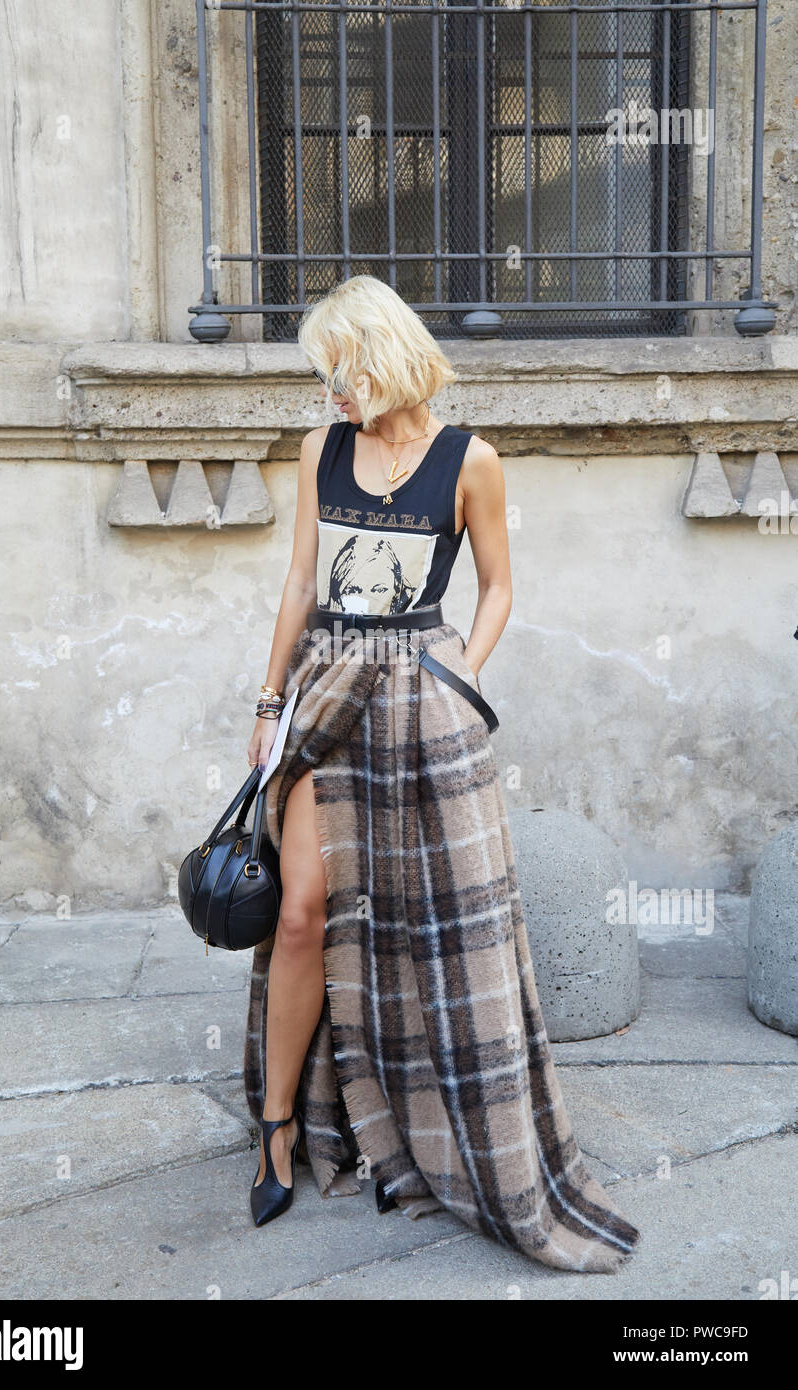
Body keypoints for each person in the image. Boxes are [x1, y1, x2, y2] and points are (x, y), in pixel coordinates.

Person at [242, 274, 640, 1272]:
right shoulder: (320, 449)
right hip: (325, 687)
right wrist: (263, 703)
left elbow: (500, 584)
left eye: (339, 371)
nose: (329, 390)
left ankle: (416, 1131)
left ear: (379, 359)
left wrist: (463, 666)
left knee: (427, 923)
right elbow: (299, 578)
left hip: (422, 697)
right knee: (299, 912)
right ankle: (280, 1125)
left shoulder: (472, 461)